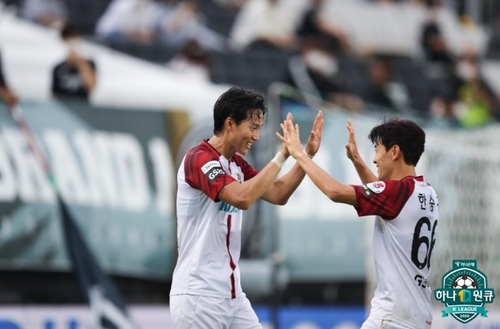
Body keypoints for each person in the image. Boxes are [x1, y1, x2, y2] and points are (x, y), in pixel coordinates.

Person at [170, 86, 323, 328]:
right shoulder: (197, 159)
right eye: (253, 128)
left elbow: (278, 193)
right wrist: (281, 157)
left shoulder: (237, 165)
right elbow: (242, 197)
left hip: (233, 297)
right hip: (198, 296)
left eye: (259, 129)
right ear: (230, 124)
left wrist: (306, 156)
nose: (257, 136)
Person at [278, 116, 438, 329]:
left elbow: (335, 191)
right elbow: (382, 197)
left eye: (377, 151)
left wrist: (299, 153)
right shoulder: (427, 192)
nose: (374, 159)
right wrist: (356, 158)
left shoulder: (397, 193)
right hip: (419, 316)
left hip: (391, 317)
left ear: (395, 152)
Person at [52, 25, 97, 100]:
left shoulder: (89, 63)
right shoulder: (58, 68)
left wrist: (80, 62)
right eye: (70, 38)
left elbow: (91, 86)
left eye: (75, 37)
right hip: (63, 107)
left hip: (83, 107)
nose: (73, 42)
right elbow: (54, 93)